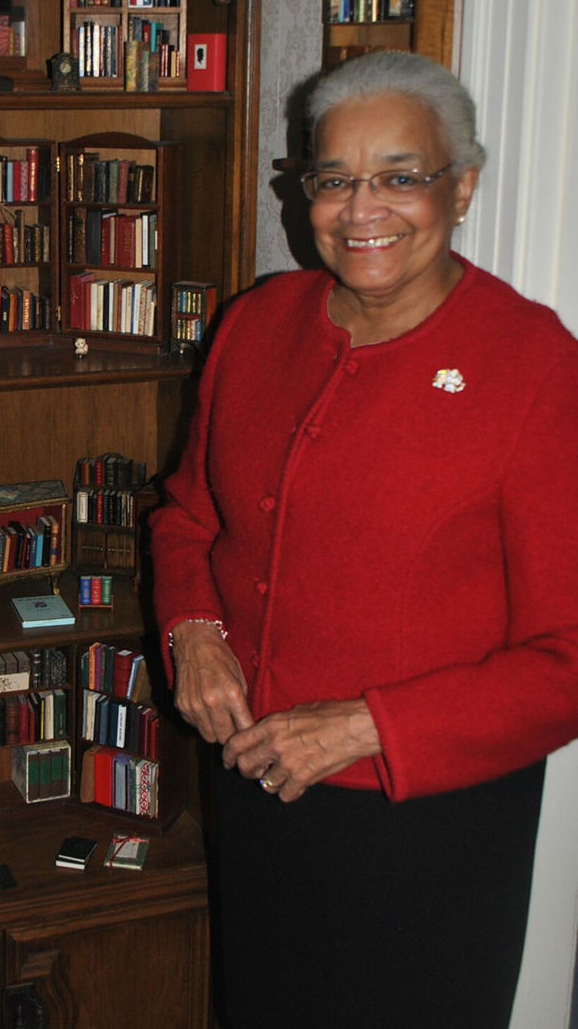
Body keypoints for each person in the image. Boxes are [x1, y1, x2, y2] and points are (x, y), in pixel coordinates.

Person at [150, 51, 578, 1028]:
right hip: (260, 789)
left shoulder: (536, 369)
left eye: (399, 174)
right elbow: (187, 514)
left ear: (460, 185)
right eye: (334, 178)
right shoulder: (255, 326)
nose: (362, 207)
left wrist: (367, 725)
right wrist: (193, 631)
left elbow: (568, 657)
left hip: (427, 821)